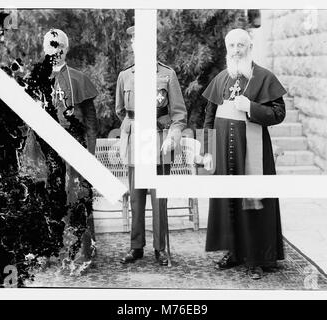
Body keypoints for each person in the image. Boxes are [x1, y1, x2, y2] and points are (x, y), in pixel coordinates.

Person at [202, 28, 286, 279]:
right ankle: (234, 251)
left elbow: (279, 114)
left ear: (250, 47)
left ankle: (256, 258)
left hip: (253, 154)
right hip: (225, 154)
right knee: (229, 202)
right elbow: (207, 118)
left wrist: (251, 107)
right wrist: (207, 151)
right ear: (226, 49)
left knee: (254, 204)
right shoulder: (220, 79)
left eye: (241, 45)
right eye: (232, 46)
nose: (236, 50)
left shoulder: (263, 77)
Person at [116, 26, 187, 266]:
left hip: (159, 143)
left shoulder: (167, 74)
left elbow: (179, 115)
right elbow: (121, 111)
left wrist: (172, 135)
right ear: (134, 46)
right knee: (136, 199)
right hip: (137, 144)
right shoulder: (126, 75)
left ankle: (160, 249)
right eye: (138, 42)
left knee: (159, 200)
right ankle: (136, 248)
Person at [43, 29, 98, 262]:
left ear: (66, 48)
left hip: (75, 147)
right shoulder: (36, 79)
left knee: (78, 197)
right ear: (45, 48)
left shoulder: (79, 78)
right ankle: (50, 253)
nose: (55, 50)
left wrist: (91, 153)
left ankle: (86, 251)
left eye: (59, 45)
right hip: (47, 150)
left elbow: (91, 122)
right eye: (51, 45)